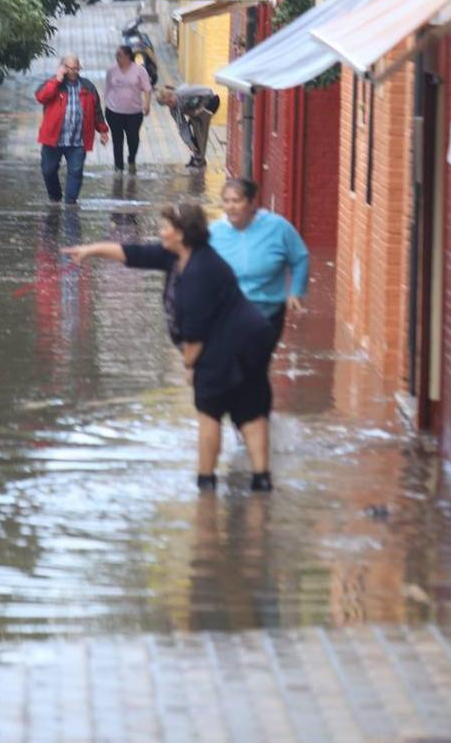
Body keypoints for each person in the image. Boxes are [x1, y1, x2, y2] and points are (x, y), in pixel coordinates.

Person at [63, 203, 276, 492]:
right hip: (250, 338)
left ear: (182, 233)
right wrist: (90, 250)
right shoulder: (177, 256)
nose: (160, 231)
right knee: (249, 411)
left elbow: (195, 335)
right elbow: (132, 253)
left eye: (165, 227)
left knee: (211, 411)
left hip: (230, 345)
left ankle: (206, 484)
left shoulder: (199, 271)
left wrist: (190, 367)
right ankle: (261, 481)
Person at [209, 178, 309, 352]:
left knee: (254, 362)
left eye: (236, 201)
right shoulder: (214, 233)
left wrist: (296, 291)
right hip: (226, 313)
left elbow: (300, 258)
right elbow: (198, 267)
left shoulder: (278, 227)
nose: (231, 207)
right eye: (226, 201)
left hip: (267, 313)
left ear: (251, 203)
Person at [36, 54, 109, 205]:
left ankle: (70, 203)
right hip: (53, 140)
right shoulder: (53, 83)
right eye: (69, 68)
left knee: (75, 172)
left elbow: (96, 110)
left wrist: (103, 130)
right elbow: (41, 97)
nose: (73, 72)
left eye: (76, 68)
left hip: (77, 141)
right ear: (62, 68)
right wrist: (57, 79)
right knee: (48, 170)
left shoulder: (87, 86)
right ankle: (55, 198)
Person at [104, 45, 152, 174]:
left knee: (133, 138)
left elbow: (147, 89)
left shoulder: (140, 70)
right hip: (114, 111)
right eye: (116, 55)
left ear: (127, 56)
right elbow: (107, 88)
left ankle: (131, 159)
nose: (117, 57)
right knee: (117, 140)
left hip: (134, 113)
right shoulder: (112, 70)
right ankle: (118, 167)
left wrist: (147, 104)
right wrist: (106, 104)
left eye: (119, 55)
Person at [156, 84, 221, 168]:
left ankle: (200, 158)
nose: (170, 105)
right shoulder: (174, 110)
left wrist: (199, 109)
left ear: (172, 94)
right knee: (191, 130)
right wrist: (189, 143)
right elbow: (182, 126)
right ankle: (198, 155)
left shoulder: (183, 93)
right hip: (196, 109)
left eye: (170, 101)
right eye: (167, 104)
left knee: (199, 126)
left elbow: (208, 92)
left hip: (211, 101)